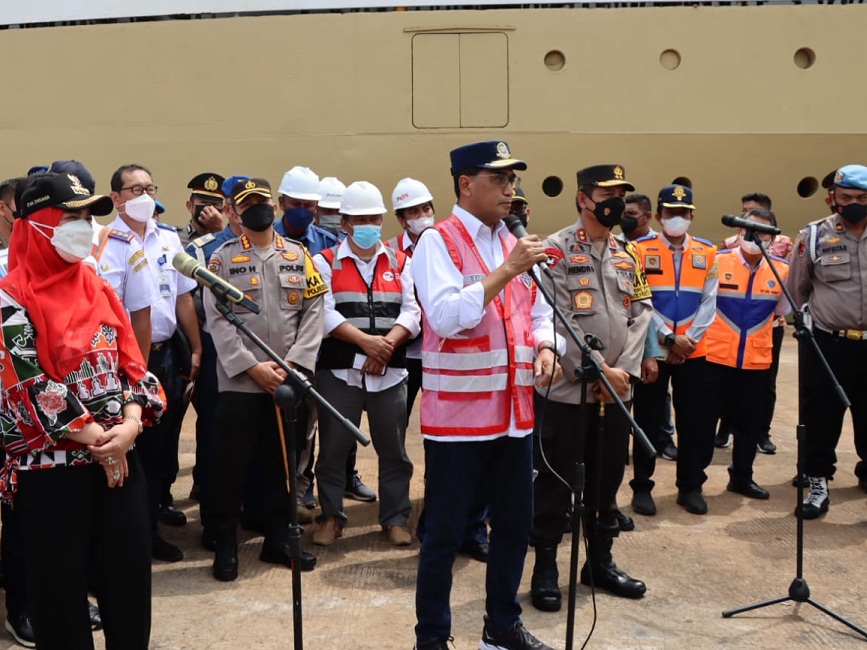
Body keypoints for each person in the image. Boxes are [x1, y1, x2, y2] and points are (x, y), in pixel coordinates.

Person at [0, 172, 164, 649]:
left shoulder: (97, 287)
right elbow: (26, 385)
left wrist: (131, 426)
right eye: (73, 217)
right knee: (60, 600)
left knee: (129, 590)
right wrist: (99, 438)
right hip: (52, 476)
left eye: (89, 217)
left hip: (119, 464)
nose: (85, 227)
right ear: (39, 224)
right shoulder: (10, 297)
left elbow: (134, 367)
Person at [412, 140, 562, 650]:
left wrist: (546, 346)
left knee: (516, 526)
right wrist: (506, 271)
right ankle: (432, 637)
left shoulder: (511, 241)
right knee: (445, 535)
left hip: (515, 415)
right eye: (499, 179)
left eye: (512, 179)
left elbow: (540, 312)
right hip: (458, 419)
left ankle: (501, 627)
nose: (509, 188)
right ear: (465, 184)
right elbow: (448, 318)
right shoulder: (438, 241)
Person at [530, 164, 652, 612]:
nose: (616, 201)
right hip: (569, 393)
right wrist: (600, 368)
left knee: (606, 482)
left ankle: (599, 562)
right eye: (608, 192)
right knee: (555, 483)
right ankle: (545, 567)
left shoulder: (628, 253)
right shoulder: (555, 252)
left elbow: (641, 314)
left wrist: (625, 372)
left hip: (618, 392)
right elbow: (555, 317)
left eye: (622, 192)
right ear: (584, 198)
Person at [205, 177, 325, 581]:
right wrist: (249, 365)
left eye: (263, 202)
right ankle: (225, 543)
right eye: (248, 204)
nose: (258, 209)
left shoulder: (299, 255)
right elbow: (219, 320)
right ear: (235, 213)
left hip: (288, 379)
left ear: (273, 207)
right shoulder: (220, 261)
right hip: (240, 381)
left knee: (282, 464)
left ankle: (278, 539)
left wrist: (295, 364)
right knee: (229, 466)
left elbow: (313, 310)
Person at [311, 181, 418, 547]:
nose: (368, 224)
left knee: (395, 452)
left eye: (374, 217)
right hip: (340, 375)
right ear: (345, 224)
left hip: (390, 374)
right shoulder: (323, 263)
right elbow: (322, 314)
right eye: (360, 219)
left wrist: (386, 345)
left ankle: (395, 518)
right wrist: (366, 346)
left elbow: (413, 311)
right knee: (332, 451)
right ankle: (331, 516)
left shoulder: (402, 262)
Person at [107, 164, 202, 562]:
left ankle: (151, 529)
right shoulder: (106, 242)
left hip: (165, 357)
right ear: (116, 198)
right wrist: (134, 370)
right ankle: (130, 541)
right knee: (133, 454)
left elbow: (183, 298)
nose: (143, 196)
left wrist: (196, 348)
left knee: (163, 452)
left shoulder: (167, 239)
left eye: (149, 188)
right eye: (134, 190)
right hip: (125, 364)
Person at [275, 166, 375, 503]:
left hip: (321, 353)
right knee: (287, 429)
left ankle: (312, 487)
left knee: (326, 425)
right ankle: (284, 489)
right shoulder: (266, 238)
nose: (305, 211)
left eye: (311, 205)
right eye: (296, 203)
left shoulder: (327, 245)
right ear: (281, 202)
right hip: (278, 352)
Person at [631, 184, 719, 516]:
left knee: (694, 422)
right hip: (654, 350)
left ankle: (691, 486)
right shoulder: (639, 250)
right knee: (648, 421)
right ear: (658, 215)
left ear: (692, 215)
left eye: (683, 213)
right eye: (670, 213)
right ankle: (642, 486)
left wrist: (689, 339)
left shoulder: (707, 252)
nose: (677, 219)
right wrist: (669, 337)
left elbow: (710, 301)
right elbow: (641, 301)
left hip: (694, 352)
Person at [788, 164, 867, 518]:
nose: (854, 204)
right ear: (832, 198)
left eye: (862, 198)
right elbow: (797, 289)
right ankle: (818, 484)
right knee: (821, 417)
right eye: (847, 197)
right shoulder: (814, 235)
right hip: (828, 343)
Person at [706, 208, 789, 500]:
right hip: (715, 356)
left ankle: (742, 477)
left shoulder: (782, 270)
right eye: (747, 229)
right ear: (738, 232)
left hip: (756, 360)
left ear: (772, 237)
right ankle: (692, 481)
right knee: (704, 424)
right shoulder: (716, 262)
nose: (754, 236)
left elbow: (782, 313)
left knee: (749, 426)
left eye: (762, 231)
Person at [623, 193, 677, 462]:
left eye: (630, 214)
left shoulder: (660, 247)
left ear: (646, 216)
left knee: (657, 397)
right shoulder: (617, 244)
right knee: (622, 391)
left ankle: (663, 438)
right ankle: (620, 442)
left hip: (660, 333)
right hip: (624, 332)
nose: (624, 219)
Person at [177, 172, 226, 248]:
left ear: (222, 211)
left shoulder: (229, 239)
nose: (209, 209)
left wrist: (220, 231)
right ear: (190, 206)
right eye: (204, 203)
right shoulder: (176, 238)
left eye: (215, 205)